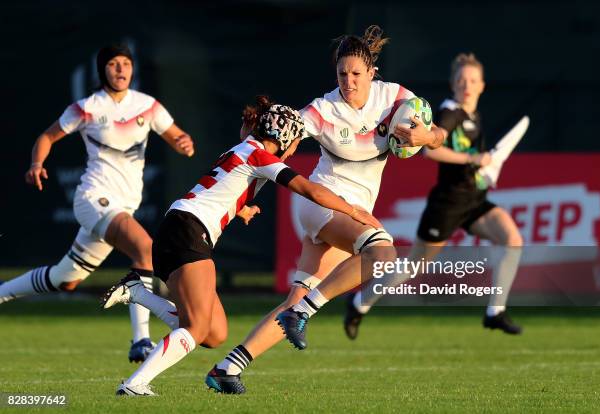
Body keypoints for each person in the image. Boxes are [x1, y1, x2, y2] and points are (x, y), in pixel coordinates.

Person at [204, 25, 446, 394]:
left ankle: (227, 368)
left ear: (372, 73)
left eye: (356, 74)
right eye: (342, 74)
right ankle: (302, 313)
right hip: (321, 203)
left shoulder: (395, 98)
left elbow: (438, 134)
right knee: (382, 253)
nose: (349, 82)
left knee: (297, 296)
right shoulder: (322, 109)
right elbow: (273, 144)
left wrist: (424, 136)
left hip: (350, 213)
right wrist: (246, 163)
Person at [101, 96, 383, 396]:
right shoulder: (260, 155)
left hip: (179, 229)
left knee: (214, 333)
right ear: (285, 139)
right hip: (188, 232)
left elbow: (222, 187)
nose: (296, 148)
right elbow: (309, 189)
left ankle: (137, 292)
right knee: (197, 328)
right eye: (297, 142)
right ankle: (135, 384)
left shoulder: (244, 148)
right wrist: (352, 211)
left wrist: (241, 208)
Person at [0, 44, 195, 362]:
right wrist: (37, 164)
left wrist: (184, 143)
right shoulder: (89, 106)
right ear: (102, 70)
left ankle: (2, 292)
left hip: (122, 205)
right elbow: (47, 137)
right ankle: (141, 341)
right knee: (145, 249)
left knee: (65, 280)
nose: (120, 69)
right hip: (94, 198)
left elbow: (177, 136)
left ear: (132, 70)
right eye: (113, 64)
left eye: (126, 64)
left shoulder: (146, 105)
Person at [344, 53, 524, 339]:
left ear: (482, 86)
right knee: (412, 267)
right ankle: (359, 303)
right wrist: (473, 159)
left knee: (513, 240)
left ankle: (495, 312)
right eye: (461, 80)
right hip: (448, 204)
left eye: (473, 80)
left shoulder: (473, 114)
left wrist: (481, 172)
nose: (467, 85)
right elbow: (431, 150)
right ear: (453, 84)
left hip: (474, 202)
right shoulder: (450, 112)